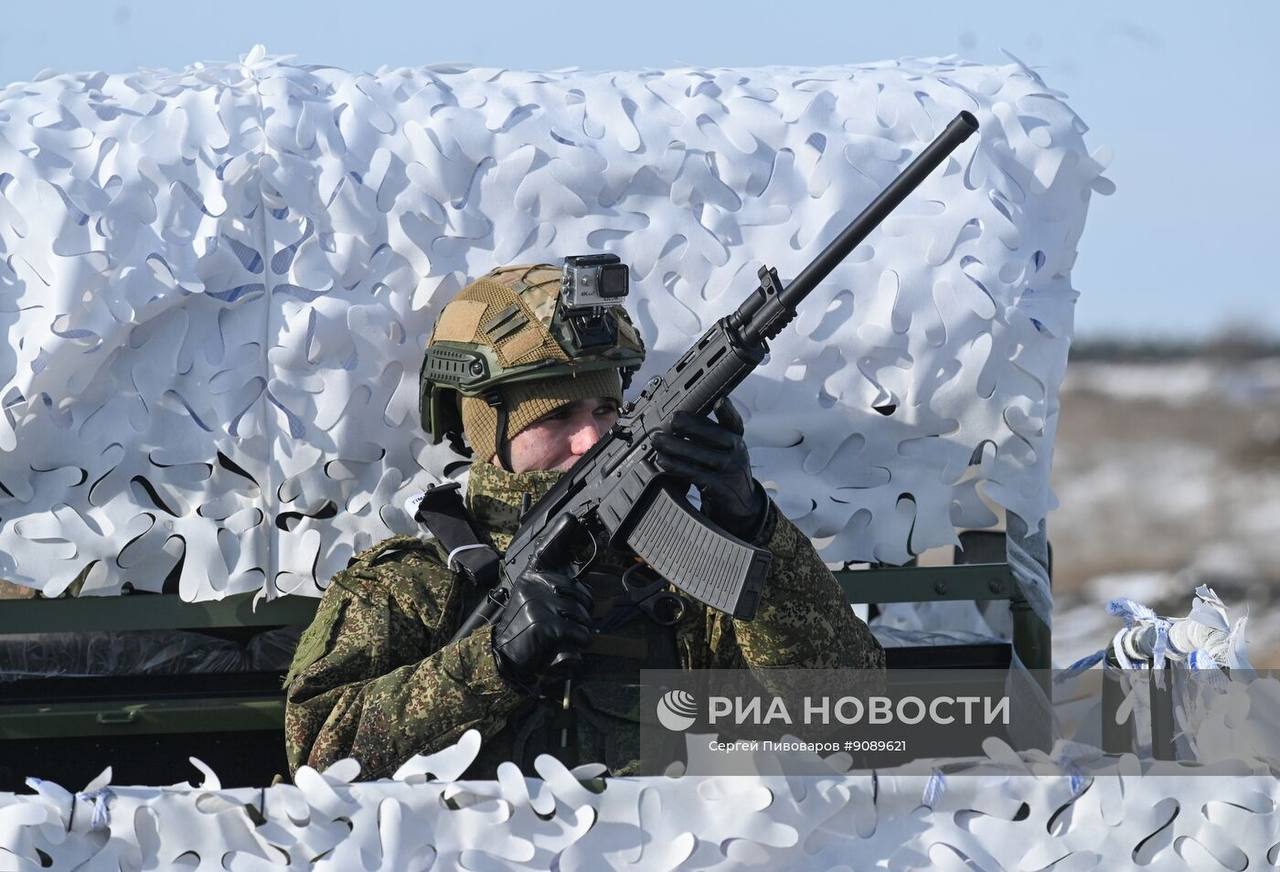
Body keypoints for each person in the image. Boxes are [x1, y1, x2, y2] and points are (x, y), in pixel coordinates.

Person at [283, 262, 885, 781]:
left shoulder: (678, 584)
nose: (592, 438)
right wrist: (492, 662)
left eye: (605, 408)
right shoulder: (409, 586)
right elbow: (319, 759)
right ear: (487, 431)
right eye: (558, 416)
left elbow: (852, 720)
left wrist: (750, 520)